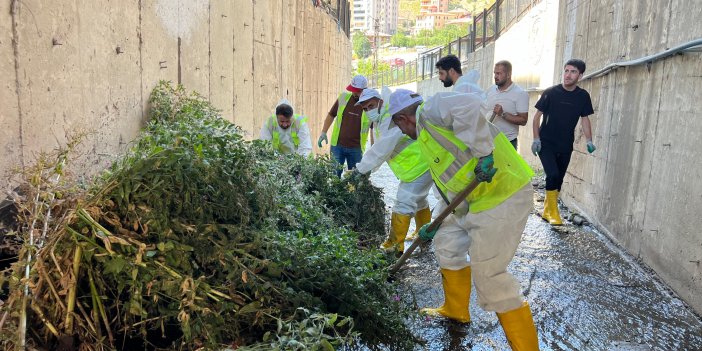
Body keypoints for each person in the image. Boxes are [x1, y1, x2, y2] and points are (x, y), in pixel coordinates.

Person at [388, 88, 539, 350]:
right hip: (469, 200)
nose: (401, 132)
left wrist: (484, 152)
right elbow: (450, 179)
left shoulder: (430, 110)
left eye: (398, 125)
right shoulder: (426, 137)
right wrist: (434, 223)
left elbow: (469, 105)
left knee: (490, 276)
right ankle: (455, 309)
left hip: (501, 194)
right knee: (446, 242)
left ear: (404, 118)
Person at [352, 87, 433, 254]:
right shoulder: (383, 117)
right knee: (420, 199)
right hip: (421, 163)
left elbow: (381, 150)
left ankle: (394, 245)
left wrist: (360, 170)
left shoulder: (392, 117)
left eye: (371, 106)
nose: (368, 111)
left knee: (404, 202)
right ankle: (423, 233)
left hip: (418, 165)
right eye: (365, 108)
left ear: (380, 101)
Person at [531, 59, 596, 226]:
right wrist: (536, 138)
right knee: (552, 175)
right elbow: (537, 117)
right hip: (546, 144)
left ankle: (547, 211)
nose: (568, 75)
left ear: (580, 75)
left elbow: (585, 119)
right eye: (566, 71)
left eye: (573, 71)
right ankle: (553, 213)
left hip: (566, 145)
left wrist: (589, 140)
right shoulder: (550, 93)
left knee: (558, 179)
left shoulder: (582, 96)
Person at [318, 75, 371, 177]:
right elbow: (331, 115)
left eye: (357, 91)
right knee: (334, 176)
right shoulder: (343, 98)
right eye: (353, 90)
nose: (354, 93)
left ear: (364, 90)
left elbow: (374, 127)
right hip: (337, 146)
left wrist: (374, 147)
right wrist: (323, 132)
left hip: (356, 148)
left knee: (355, 178)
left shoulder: (369, 104)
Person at [487, 60, 529, 149]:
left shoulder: (520, 93)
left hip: (508, 143)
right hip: (489, 141)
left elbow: (523, 120)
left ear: (508, 75)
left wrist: (502, 114)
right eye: (495, 73)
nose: (495, 76)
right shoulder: (490, 90)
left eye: (499, 73)